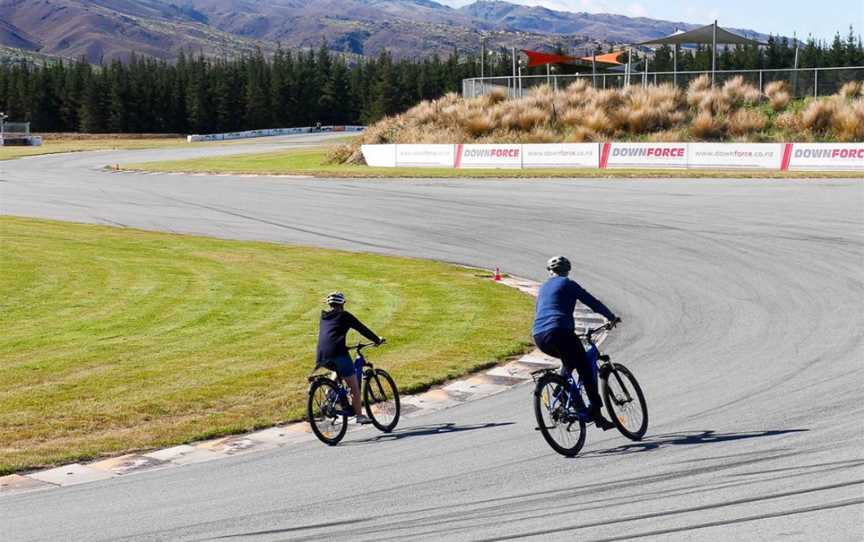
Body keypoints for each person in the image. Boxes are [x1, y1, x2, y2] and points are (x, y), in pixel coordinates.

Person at [532, 256, 621, 430]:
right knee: (585, 368)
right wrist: (610, 317)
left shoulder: (543, 289)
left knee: (570, 359)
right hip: (560, 331)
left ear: (550, 272)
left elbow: (542, 311)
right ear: (567, 271)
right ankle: (597, 414)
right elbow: (592, 302)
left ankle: (561, 389)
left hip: (539, 336)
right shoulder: (568, 284)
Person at [316, 291, 384, 424]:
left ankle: (330, 393)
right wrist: (377, 339)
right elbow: (362, 328)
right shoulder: (344, 315)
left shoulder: (324, 317)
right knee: (354, 387)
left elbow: (331, 334)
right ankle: (359, 416)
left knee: (336, 371)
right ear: (343, 304)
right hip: (337, 353)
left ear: (329, 304)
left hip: (322, 355)